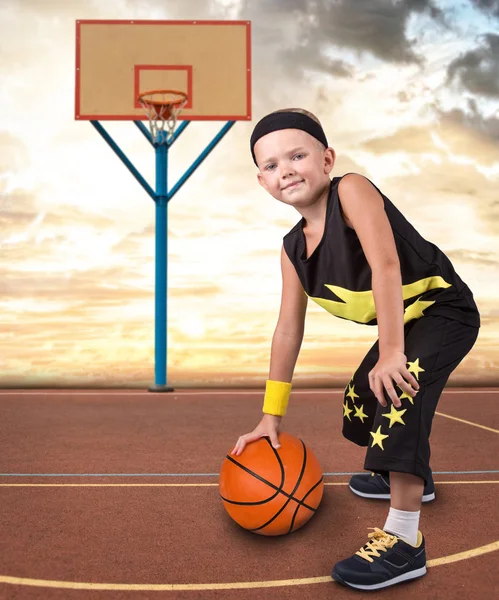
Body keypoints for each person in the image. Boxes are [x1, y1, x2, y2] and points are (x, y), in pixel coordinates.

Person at [230, 108, 480, 591]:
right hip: (403, 324)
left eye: (298, 155)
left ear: (326, 159)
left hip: (441, 310)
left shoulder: (351, 190)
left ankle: (404, 543)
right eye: (271, 164)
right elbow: (287, 330)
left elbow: (386, 266)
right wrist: (271, 417)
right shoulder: (292, 251)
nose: (286, 169)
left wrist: (391, 354)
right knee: (358, 404)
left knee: (396, 392)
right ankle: (412, 476)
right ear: (261, 181)